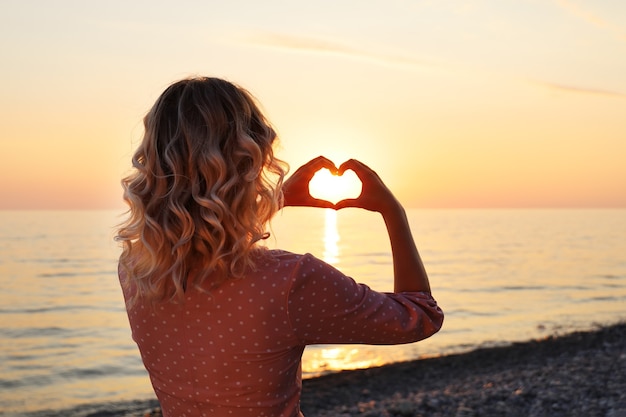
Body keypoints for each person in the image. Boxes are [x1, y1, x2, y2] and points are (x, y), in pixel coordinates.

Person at [116, 76, 443, 417]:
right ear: (252, 161)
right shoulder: (288, 281)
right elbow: (419, 316)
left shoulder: (135, 270)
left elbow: (208, 254)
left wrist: (273, 203)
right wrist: (393, 212)